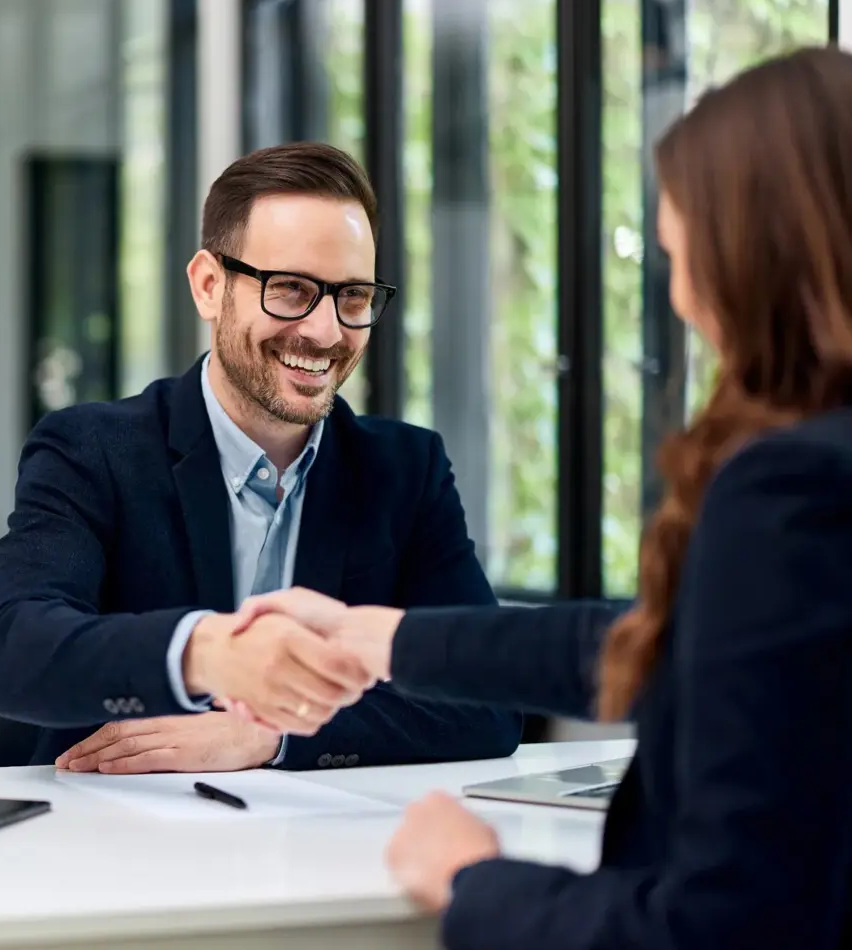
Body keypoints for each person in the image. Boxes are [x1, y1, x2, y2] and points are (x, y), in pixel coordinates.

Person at [226, 47, 852, 949]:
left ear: (751, 260)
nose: (678, 298)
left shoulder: (789, 490)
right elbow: (670, 643)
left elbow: (722, 928)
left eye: (683, 259)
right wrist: (383, 637)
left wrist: (474, 880)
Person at [0, 140, 521, 772]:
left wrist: (270, 733)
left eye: (354, 297)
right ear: (209, 286)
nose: (325, 331)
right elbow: (11, 653)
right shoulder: (90, 450)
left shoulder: (405, 471)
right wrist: (206, 654)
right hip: (114, 842)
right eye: (290, 289)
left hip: (313, 847)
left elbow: (488, 694)